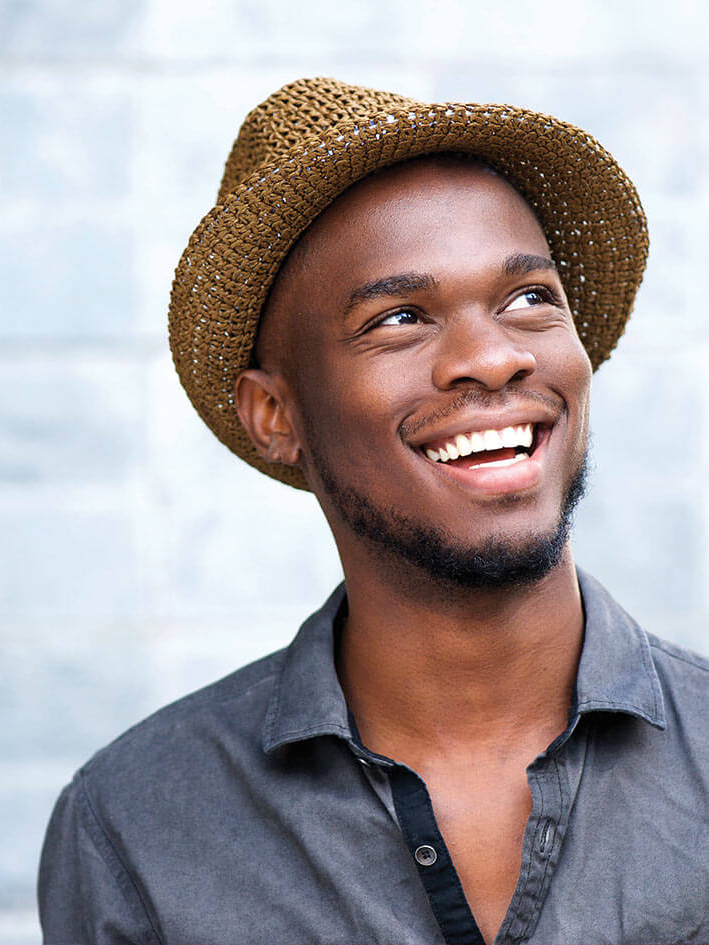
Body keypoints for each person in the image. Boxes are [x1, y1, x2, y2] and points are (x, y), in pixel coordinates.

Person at [37, 77, 709, 944]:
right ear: (276, 415)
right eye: (400, 317)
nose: (493, 357)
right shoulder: (137, 828)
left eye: (529, 298)